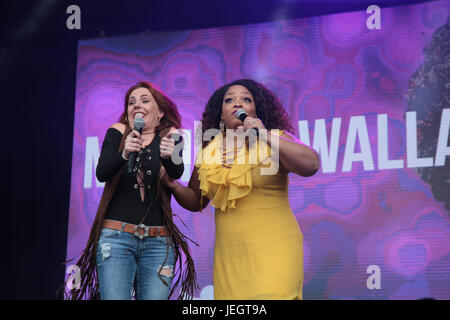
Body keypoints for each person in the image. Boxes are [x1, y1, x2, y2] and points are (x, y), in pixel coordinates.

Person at [160, 79, 320, 300]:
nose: (237, 103)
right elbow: (197, 200)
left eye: (246, 99)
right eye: (229, 100)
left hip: (276, 247)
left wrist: (264, 135)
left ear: (256, 110)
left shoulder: (272, 139)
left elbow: (311, 165)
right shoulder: (209, 152)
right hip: (231, 256)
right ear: (221, 113)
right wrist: (173, 185)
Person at [65, 81, 198, 300]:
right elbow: (102, 172)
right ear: (127, 113)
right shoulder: (118, 131)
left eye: (145, 100)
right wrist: (125, 153)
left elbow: (176, 171)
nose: (137, 105)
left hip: (158, 242)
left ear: (161, 112)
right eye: (131, 102)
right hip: (116, 238)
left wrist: (169, 155)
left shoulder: (172, 134)